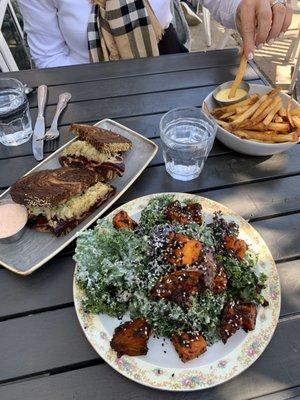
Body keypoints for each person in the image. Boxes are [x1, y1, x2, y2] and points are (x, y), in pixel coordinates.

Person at [18, 0, 293, 69]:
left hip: (163, 60)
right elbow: (49, 56)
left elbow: (224, 4)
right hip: (86, 78)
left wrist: (251, 7)